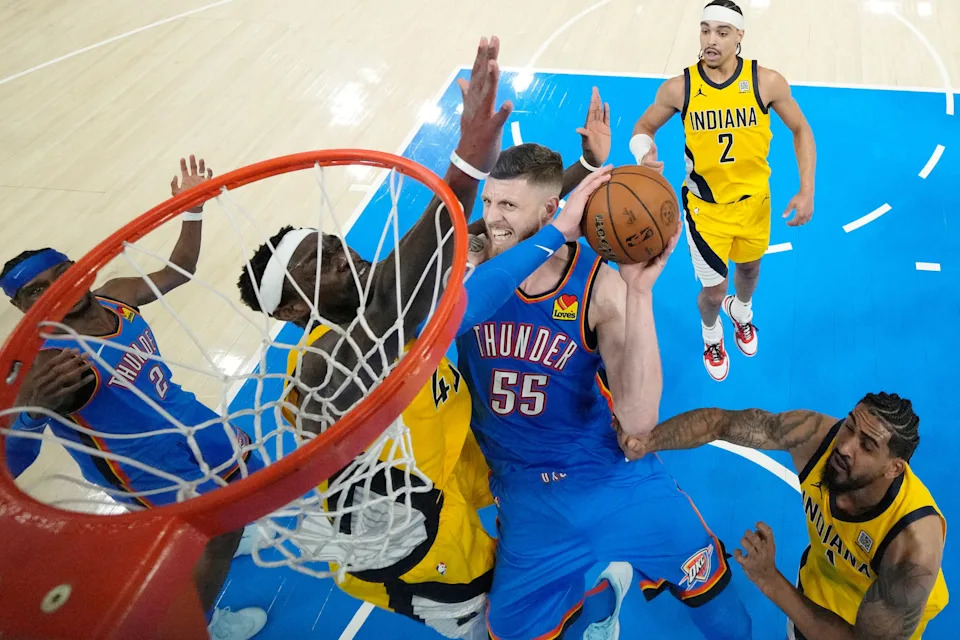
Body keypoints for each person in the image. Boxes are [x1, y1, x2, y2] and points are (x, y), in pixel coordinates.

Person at [236, 39, 620, 638]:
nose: (341, 254)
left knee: (534, 541)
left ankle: (574, 598)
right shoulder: (323, 364)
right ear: (291, 308)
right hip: (410, 532)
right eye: (318, 264)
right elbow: (391, 311)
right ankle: (580, 620)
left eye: (331, 242)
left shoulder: (390, 287)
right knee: (497, 614)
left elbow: (487, 228)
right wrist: (466, 161)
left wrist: (582, 172)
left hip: (454, 462)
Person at [454, 142, 752, 640]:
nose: (492, 219)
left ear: (553, 212)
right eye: (488, 202)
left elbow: (638, 423)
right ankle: (607, 602)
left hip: (610, 478)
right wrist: (590, 166)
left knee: (720, 606)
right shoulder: (465, 269)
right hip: (526, 494)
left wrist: (639, 293)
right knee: (511, 633)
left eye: (507, 205)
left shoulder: (597, 284)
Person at [1, 156, 267, 640]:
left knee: (247, 476)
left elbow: (178, 271)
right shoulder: (37, 364)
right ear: (22, 308)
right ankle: (199, 627)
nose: (57, 290)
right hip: (141, 465)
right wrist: (32, 412)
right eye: (38, 292)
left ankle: (231, 533)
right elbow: (12, 461)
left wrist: (193, 209)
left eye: (62, 274)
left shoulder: (114, 294)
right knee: (217, 534)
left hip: (187, 417)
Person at [620, 392, 949, 639]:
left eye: (867, 445)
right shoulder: (815, 438)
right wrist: (647, 441)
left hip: (875, 620)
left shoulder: (911, 554)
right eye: (849, 426)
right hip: (819, 584)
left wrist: (770, 580)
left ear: (895, 468)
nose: (845, 446)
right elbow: (721, 422)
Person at [629, 0, 816, 382]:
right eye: (705, 30)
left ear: (739, 37)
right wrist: (643, 151)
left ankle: (742, 313)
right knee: (713, 292)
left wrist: (806, 189)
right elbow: (643, 126)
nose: (710, 40)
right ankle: (712, 335)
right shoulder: (680, 88)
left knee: (749, 270)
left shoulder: (766, 82)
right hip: (705, 211)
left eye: (722, 32)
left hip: (754, 206)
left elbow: (802, 129)